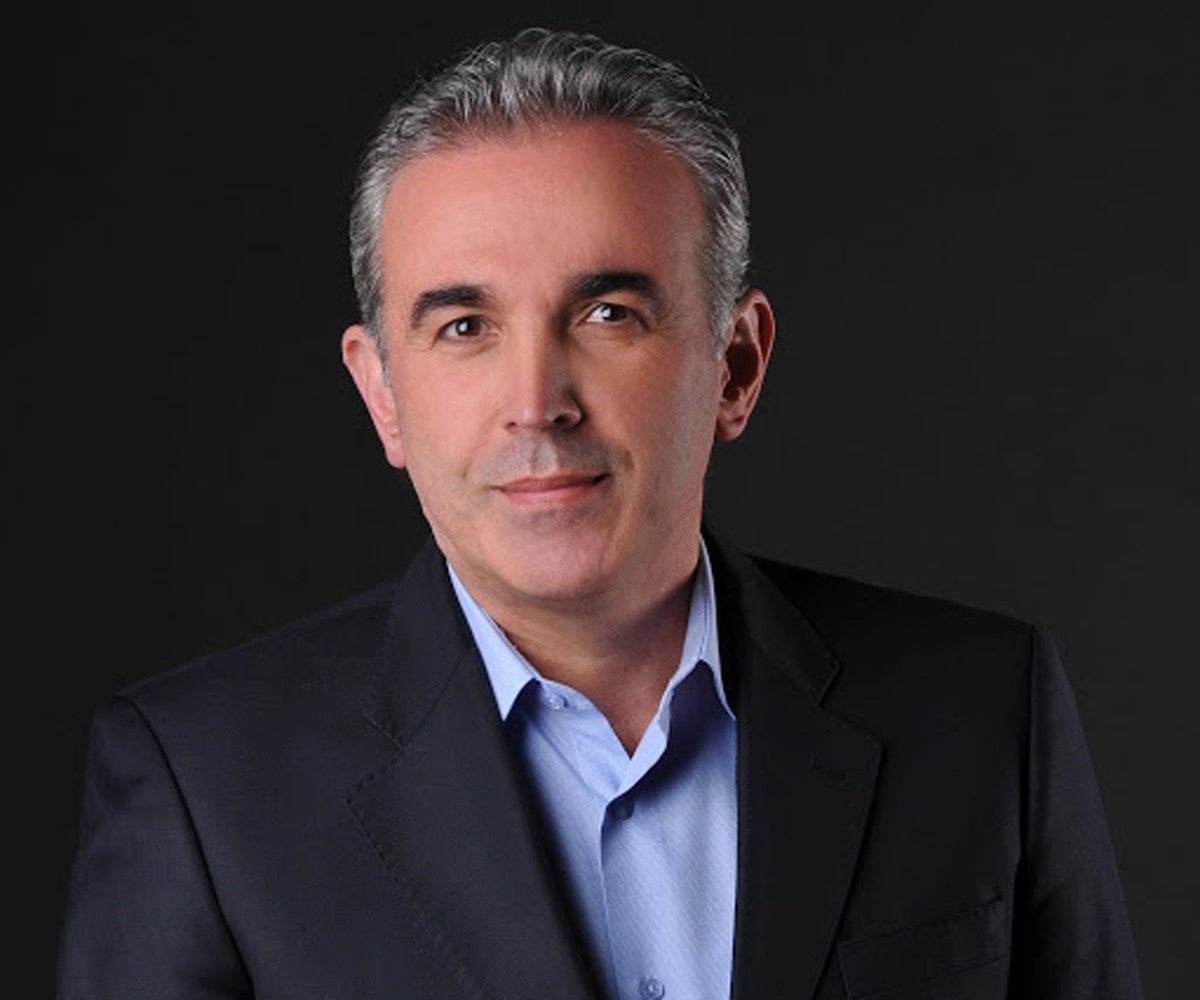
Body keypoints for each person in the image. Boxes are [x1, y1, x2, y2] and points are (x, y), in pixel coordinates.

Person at [57, 28, 1143, 1000]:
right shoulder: (203, 786)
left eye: (609, 313)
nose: (537, 402)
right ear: (382, 394)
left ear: (736, 364)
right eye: (465, 327)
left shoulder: (982, 714)